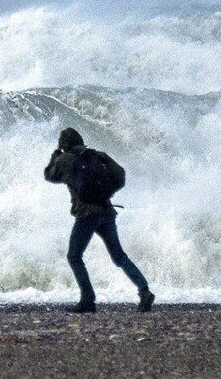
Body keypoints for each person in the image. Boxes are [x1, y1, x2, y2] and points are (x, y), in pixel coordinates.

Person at [44, 127, 155, 313]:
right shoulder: (98, 155)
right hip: (107, 211)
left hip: (87, 215)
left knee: (74, 256)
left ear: (64, 145)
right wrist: (104, 192)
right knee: (119, 256)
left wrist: (54, 156)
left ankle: (88, 300)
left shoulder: (65, 159)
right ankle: (144, 290)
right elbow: (120, 175)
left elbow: (49, 175)